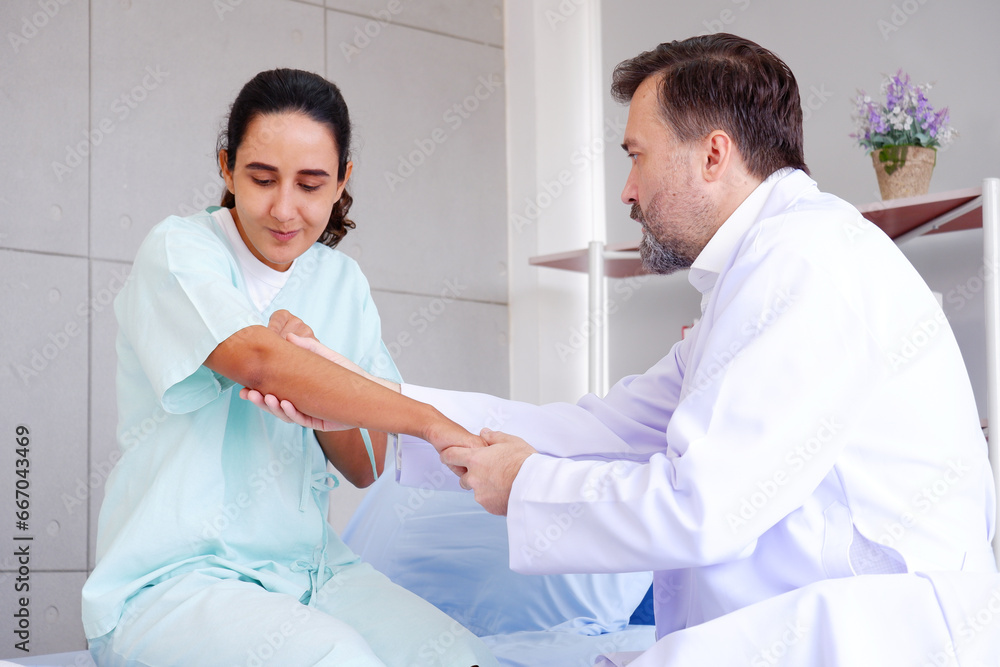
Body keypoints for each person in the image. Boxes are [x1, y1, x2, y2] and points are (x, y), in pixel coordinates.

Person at [246, 35, 1000, 664]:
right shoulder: (758, 281)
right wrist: (378, 402)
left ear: (713, 154)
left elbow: (703, 507)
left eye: (636, 155)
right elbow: (603, 429)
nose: (626, 191)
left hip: (875, 634)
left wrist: (527, 483)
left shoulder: (807, 264)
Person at [81, 68, 498, 667]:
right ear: (226, 167)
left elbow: (367, 466)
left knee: (459, 658)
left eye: (310, 184)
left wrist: (328, 405)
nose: (284, 209)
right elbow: (255, 357)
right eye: (261, 178)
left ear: (342, 181)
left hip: (313, 572)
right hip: (179, 579)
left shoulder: (340, 282)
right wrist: (428, 420)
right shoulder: (179, 250)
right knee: (335, 659)